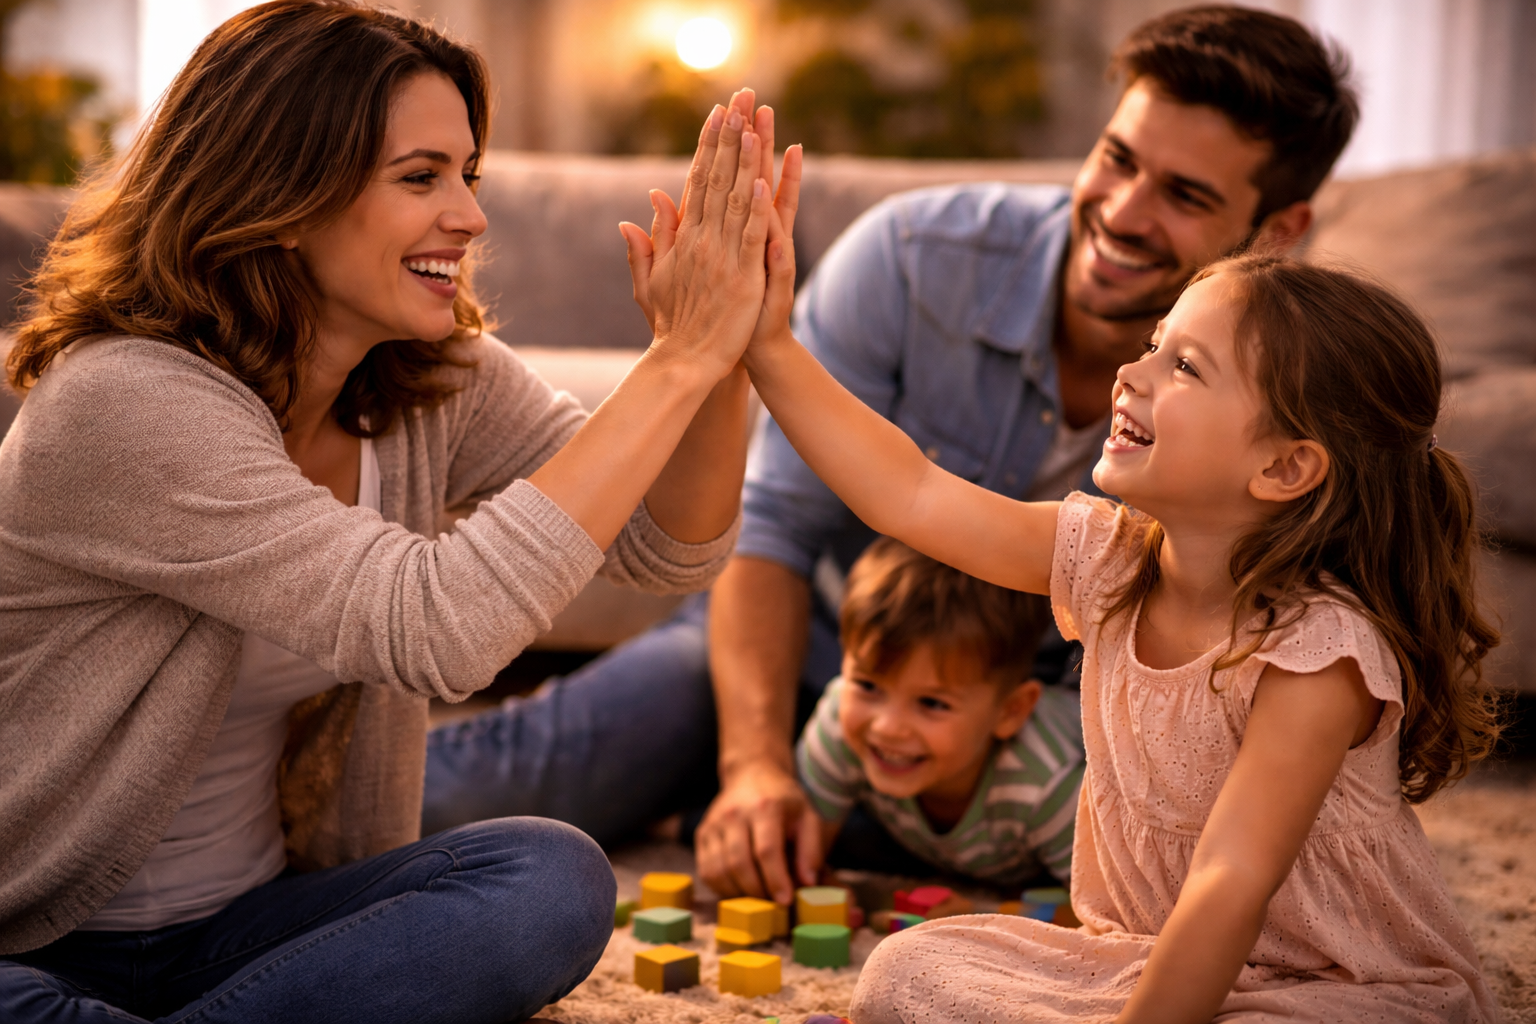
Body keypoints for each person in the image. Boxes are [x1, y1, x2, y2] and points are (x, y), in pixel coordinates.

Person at [422, 4, 1360, 906]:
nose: (1120, 211)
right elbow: (780, 529)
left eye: (1185, 196)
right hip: (823, 657)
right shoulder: (913, 257)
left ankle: (789, 809)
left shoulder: (1288, 404)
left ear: (1279, 231)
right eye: (1117, 158)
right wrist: (755, 769)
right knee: (475, 795)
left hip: (1049, 725)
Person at [0, 2, 800, 1022]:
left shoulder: (428, 378)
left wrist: (718, 356)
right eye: (421, 177)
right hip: (34, 935)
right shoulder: (124, 400)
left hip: (247, 927)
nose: (467, 216)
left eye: (469, 175)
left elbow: (666, 548)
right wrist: (675, 358)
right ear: (281, 195)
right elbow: (437, 628)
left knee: (550, 879)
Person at [739, 248, 1503, 1022]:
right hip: (1150, 959)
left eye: (1186, 367)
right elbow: (909, 492)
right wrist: (769, 345)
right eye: (1152, 346)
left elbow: (1229, 880)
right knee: (907, 968)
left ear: (1284, 468)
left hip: (1342, 987)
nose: (1132, 374)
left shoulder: (1317, 655)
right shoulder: (1105, 561)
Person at [795, 538, 1082, 888]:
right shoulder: (839, 725)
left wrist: (987, 920)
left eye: (931, 703)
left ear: (1011, 711)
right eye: (868, 686)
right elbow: (801, 861)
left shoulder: (1049, 786)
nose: (886, 727)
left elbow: (1108, 913)